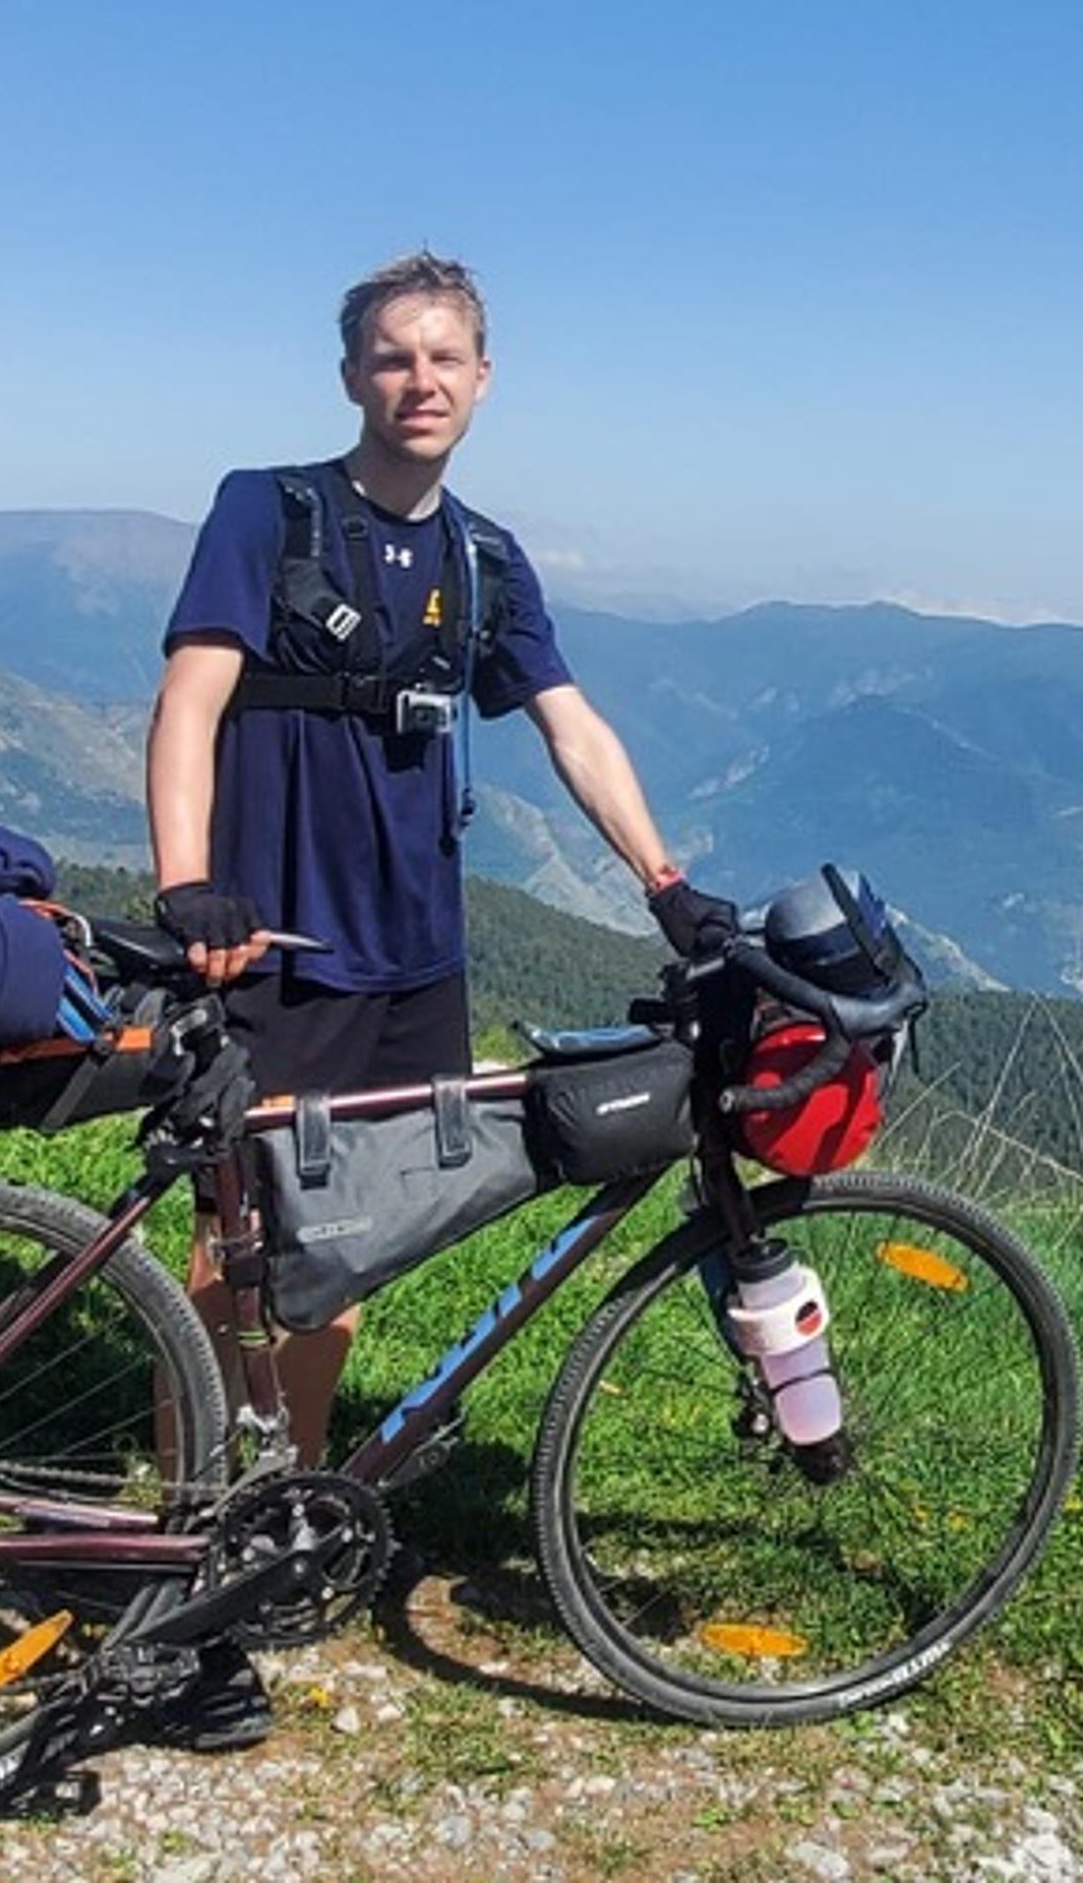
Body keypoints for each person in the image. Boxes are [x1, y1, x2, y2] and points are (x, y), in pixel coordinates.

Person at [143, 248, 732, 1744]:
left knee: (343, 1252)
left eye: (445, 359)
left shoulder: (485, 559)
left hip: (419, 956)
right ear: (351, 375)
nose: (419, 382)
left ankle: (270, 1530)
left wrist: (667, 883)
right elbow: (193, 697)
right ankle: (170, 1586)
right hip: (272, 945)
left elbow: (568, 722)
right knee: (238, 1259)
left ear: (483, 380)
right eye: (392, 357)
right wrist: (187, 884)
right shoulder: (266, 512)